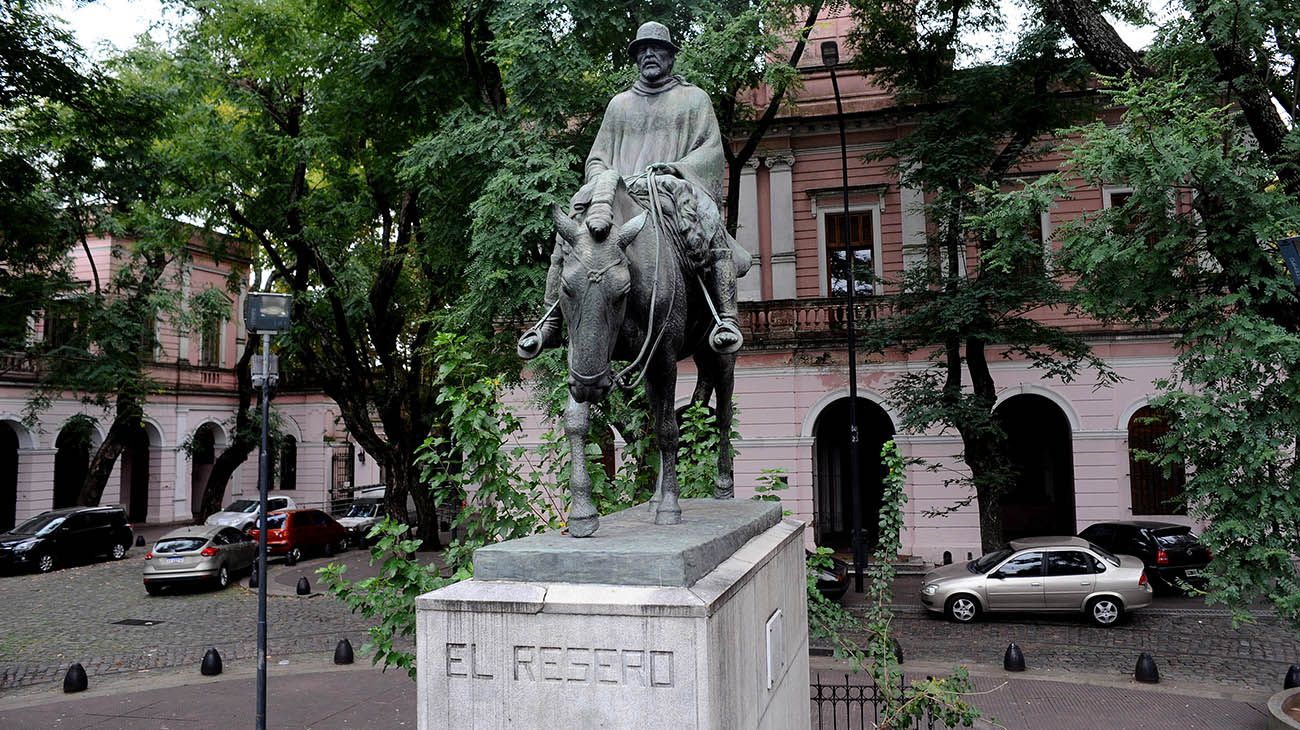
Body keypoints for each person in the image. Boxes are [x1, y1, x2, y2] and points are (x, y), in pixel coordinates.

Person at [518, 21, 749, 360]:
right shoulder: (619, 105)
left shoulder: (694, 99)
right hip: (622, 191)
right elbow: (596, 158)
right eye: (642, 50)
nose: (649, 55)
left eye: (656, 49)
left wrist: (676, 168)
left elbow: (710, 151)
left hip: (671, 185)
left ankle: (726, 317)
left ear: (670, 57)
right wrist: (604, 179)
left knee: (708, 218)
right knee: (572, 218)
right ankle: (551, 317)